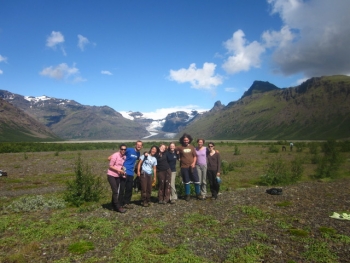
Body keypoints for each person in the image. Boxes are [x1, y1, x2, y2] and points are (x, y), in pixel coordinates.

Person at [176, 133, 201, 201]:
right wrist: (177, 156)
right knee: (186, 181)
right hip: (184, 167)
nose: (186, 141)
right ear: (182, 140)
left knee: (196, 180)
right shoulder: (180, 147)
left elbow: (195, 156)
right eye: (184, 140)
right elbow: (172, 149)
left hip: (192, 166)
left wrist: (193, 163)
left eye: (187, 140)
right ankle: (187, 195)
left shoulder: (192, 147)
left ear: (189, 140)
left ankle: (198, 194)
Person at [119, 140, 143, 209]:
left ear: (142, 146)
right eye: (138, 144)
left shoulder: (138, 153)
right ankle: (119, 203)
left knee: (129, 189)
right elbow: (121, 153)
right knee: (122, 188)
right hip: (125, 171)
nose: (139, 146)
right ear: (135, 145)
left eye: (140, 145)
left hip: (131, 173)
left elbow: (138, 161)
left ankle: (126, 203)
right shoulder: (129, 150)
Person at [107, 144, 127, 213]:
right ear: (119, 149)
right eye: (122, 149)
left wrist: (123, 172)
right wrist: (119, 170)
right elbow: (110, 166)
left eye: (124, 149)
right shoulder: (115, 155)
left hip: (118, 176)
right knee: (115, 191)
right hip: (111, 175)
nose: (123, 150)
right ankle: (118, 207)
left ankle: (113, 205)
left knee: (116, 191)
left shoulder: (124, 157)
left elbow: (121, 166)